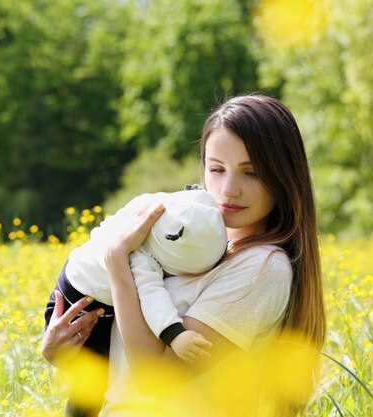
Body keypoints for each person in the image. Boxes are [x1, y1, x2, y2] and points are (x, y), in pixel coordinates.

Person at [41, 94, 326, 417]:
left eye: (252, 173)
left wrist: (118, 259)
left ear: (283, 177)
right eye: (217, 169)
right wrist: (64, 354)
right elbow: (122, 364)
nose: (229, 189)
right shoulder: (189, 249)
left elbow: (155, 380)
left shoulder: (262, 267)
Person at [43, 189, 227, 417]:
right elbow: (153, 300)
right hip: (81, 304)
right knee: (92, 385)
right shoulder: (140, 259)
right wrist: (175, 335)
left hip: (74, 278)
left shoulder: (151, 208)